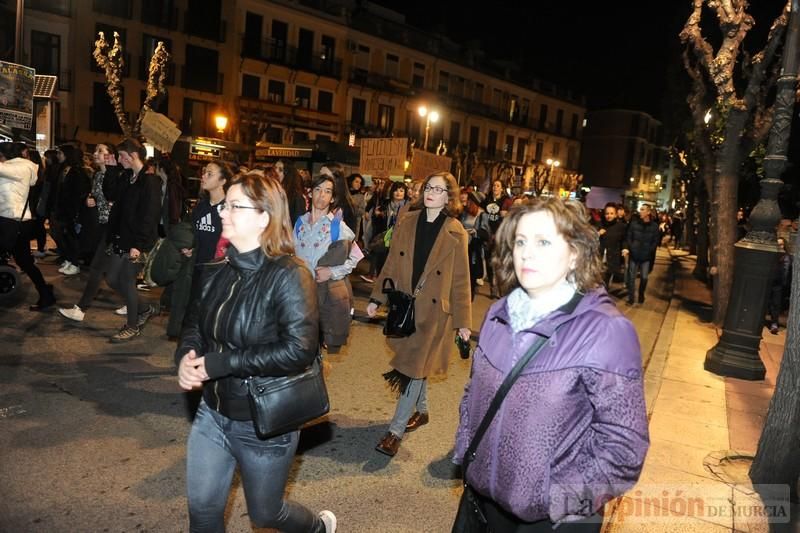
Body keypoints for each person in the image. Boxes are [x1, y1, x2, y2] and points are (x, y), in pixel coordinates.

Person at [453, 197, 649, 531]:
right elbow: (473, 395)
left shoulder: (606, 331)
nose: (527, 253)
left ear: (575, 253)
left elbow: (623, 448)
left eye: (543, 241)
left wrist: (555, 500)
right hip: (484, 504)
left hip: (549, 521)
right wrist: (467, 455)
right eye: (520, 241)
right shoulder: (498, 315)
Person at [174, 172, 337, 533]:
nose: (223, 213)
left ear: (265, 217)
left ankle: (316, 529)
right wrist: (185, 357)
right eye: (224, 205)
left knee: (266, 515)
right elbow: (194, 327)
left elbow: (299, 350)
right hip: (211, 416)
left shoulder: (292, 275)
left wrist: (222, 363)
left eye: (234, 206)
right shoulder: (215, 271)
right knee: (202, 515)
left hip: (264, 425)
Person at [366, 171, 472, 457]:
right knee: (417, 363)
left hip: (435, 313)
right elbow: (390, 263)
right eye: (429, 187)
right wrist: (377, 297)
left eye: (438, 190)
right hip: (405, 306)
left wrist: (463, 323)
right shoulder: (407, 220)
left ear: (449, 197)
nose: (430, 193)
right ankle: (422, 411)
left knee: (412, 367)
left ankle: (395, 431)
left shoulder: (455, 231)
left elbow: (461, 279)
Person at [100, 138, 162, 342]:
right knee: (111, 279)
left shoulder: (150, 181)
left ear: (133, 155)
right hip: (121, 237)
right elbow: (110, 194)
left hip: (136, 241)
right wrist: (109, 171)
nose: (119, 160)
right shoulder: (127, 176)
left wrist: (139, 244)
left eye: (121, 156)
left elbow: (150, 215)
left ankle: (132, 325)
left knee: (127, 283)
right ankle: (145, 308)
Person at [294, 173, 363, 353]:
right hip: (299, 293)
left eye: (327, 191)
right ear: (310, 193)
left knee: (316, 343)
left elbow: (355, 257)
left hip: (322, 294)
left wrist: (332, 272)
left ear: (332, 198)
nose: (321, 195)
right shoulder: (299, 223)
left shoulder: (338, 226)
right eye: (317, 190)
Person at [57, 142, 124, 323]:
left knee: (98, 270)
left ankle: (81, 309)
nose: (95, 153)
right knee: (110, 274)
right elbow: (96, 195)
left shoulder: (117, 175)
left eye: (100, 151)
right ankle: (137, 304)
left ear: (111, 156)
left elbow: (117, 197)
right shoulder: (97, 175)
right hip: (103, 226)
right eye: (96, 150)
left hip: (115, 229)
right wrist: (90, 198)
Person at [0, 142, 55, 311]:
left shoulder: (22, 168)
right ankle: (45, 294)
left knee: (25, 261)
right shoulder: (14, 168)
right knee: (25, 261)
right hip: (14, 222)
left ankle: (46, 293)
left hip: (12, 222)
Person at [50, 144, 91, 276]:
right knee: (63, 236)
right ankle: (69, 259)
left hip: (72, 212)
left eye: (60, 153)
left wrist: (75, 211)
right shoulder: (63, 169)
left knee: (72, 238)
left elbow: (79, 193)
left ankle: (75, 263)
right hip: (62, 210)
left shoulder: (77, 171)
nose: (58, 156)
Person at [622, 204, 659, 305]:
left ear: (648, 212)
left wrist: (649, 250)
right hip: (634, 255)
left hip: (646, 257)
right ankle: (631, 298)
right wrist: (631, 247)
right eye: (640, 209)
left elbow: (655, 241)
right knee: (631, 277)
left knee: (644, 277)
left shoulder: (654, 226)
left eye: (642, 210)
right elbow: (629, 236)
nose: (640, 211)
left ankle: (641, 293)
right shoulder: (634, 224)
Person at [482, 179, 513, 298]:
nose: (495, 187)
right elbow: (481, 212)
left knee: (499, 262)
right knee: (489, 261)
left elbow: (510, 216)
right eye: (494, 185)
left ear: (501, 188)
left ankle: (500, 287)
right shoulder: (487, 200)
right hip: (488, 234)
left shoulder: (506, 201)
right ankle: (492, 287)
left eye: (497, 185)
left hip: (500, 235)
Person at [460, 190, 490, 300]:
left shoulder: (482, 214)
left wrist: (475, 231)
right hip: (463, 245)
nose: (465, 202)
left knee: (471, 274)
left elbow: (486, 233)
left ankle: (469, 296)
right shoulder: (464, 213)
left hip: (474, 249)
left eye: (468, 200)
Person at [598, 202, 626, 288]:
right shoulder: (599, 224)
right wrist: (598, 233)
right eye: (607, 213)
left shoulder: (621, 226)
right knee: (598, 280)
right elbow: (590, 237)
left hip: (612, 259)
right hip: (599, 258)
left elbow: (624, 240)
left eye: (611, 213)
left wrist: (625, 249)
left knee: (605, 282)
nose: (609, 216)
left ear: (616, 215)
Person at [767, 237, 792, 334]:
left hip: (778, 284)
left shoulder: (786, 257)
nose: (779, 246)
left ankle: (774, 323)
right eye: (778, 244)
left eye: (781, 244)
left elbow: (786, 272)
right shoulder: (772, 255)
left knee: (775, 304)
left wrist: (784, 285)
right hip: (769, 282)